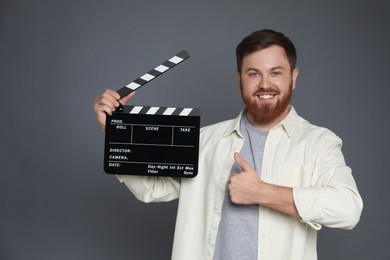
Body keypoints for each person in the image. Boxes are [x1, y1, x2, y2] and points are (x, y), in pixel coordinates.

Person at [93, 29, 363, 260]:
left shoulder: (318, 142)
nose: (265, 84)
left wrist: (262, 193)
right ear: (239, 80)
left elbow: (348, 209)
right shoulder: (205, 141)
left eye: (276, 73)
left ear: (293, 77)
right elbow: (151, 189)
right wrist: (115, 132)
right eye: (253, 74)